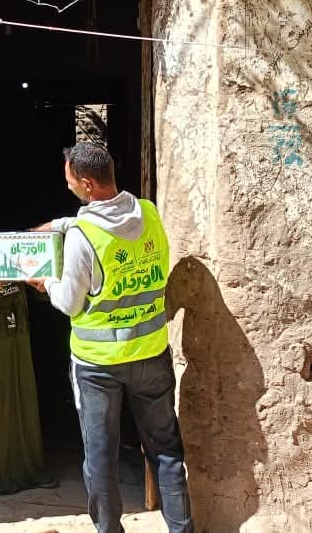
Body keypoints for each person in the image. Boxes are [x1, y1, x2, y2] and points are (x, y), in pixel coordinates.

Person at [27, 142, 192, 533]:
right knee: (166, 452)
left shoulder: (84, 238)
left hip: (98, 365)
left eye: (70, 181)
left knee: (101, 459)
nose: (68, 186)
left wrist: (46, 283)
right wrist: (62, 224)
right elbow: (105, 222)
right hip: (151, 354)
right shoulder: (149, 213)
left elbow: (69, 303)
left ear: (87, 184)